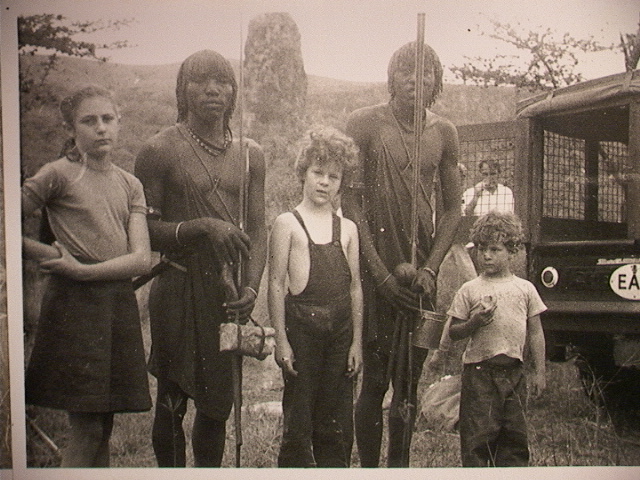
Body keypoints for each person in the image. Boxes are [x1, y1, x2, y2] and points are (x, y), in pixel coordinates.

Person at [134, 50, 267, 467]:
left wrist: (250, 287)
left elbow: (259, 228)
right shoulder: (159, 150)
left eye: (222, 81)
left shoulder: (251, 154)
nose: (212, 90)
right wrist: (200, 226)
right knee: (172, 403)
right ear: (182, 90)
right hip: (176, 285)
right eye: (200, 81)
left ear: (233, 91)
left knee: (216, 407)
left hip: (226, 293)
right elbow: (143, 232)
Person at [341, 41, 461, 467]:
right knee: (374, 382)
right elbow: (350, 202)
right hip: (376, 268)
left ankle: (399, 470)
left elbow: (452, 209)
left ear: (437, 81)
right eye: (408, 73)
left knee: (409, 384)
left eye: (426, 73)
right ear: (392, 77)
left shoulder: (444, 132)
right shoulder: (364, 124)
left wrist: (431, 267)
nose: (417, 81)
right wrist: (381, 276)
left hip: (422, 272)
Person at [22, 85, 152, 467]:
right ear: (71, 128)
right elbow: (6, 225)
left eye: (108, 119)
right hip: (74, 307)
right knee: (87, 430)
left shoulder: (130, 184)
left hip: (115, 305)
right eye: (88, 120)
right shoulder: (58, 174)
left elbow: (141, 259)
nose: (100, 128)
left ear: (119, 123)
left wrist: (83, 269)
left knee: (104, 429)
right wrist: (51, 256)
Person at [269, 126, 363, 467]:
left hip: (340, 334)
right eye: (318, 173)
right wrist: (281, 341)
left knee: (336, 422)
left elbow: (355, 288)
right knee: (299, 419)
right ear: (303, 173)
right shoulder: (287, 223)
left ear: (342, 182)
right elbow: (277, 284)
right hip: (303, 332)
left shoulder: (348, 229)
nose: (325, 182)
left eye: (333, 176)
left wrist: (356, 344)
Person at [447, 211, 546, 467]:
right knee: (477, 438)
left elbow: (535, 332)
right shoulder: (470, 289)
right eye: (481, 249)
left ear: (512, 251)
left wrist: (540, 372)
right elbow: (453, 331)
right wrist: (474, 322)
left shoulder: (525, 289)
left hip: (515, 372)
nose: (486, 255)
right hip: (479, 374)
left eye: (495, 249)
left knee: (514, 437)